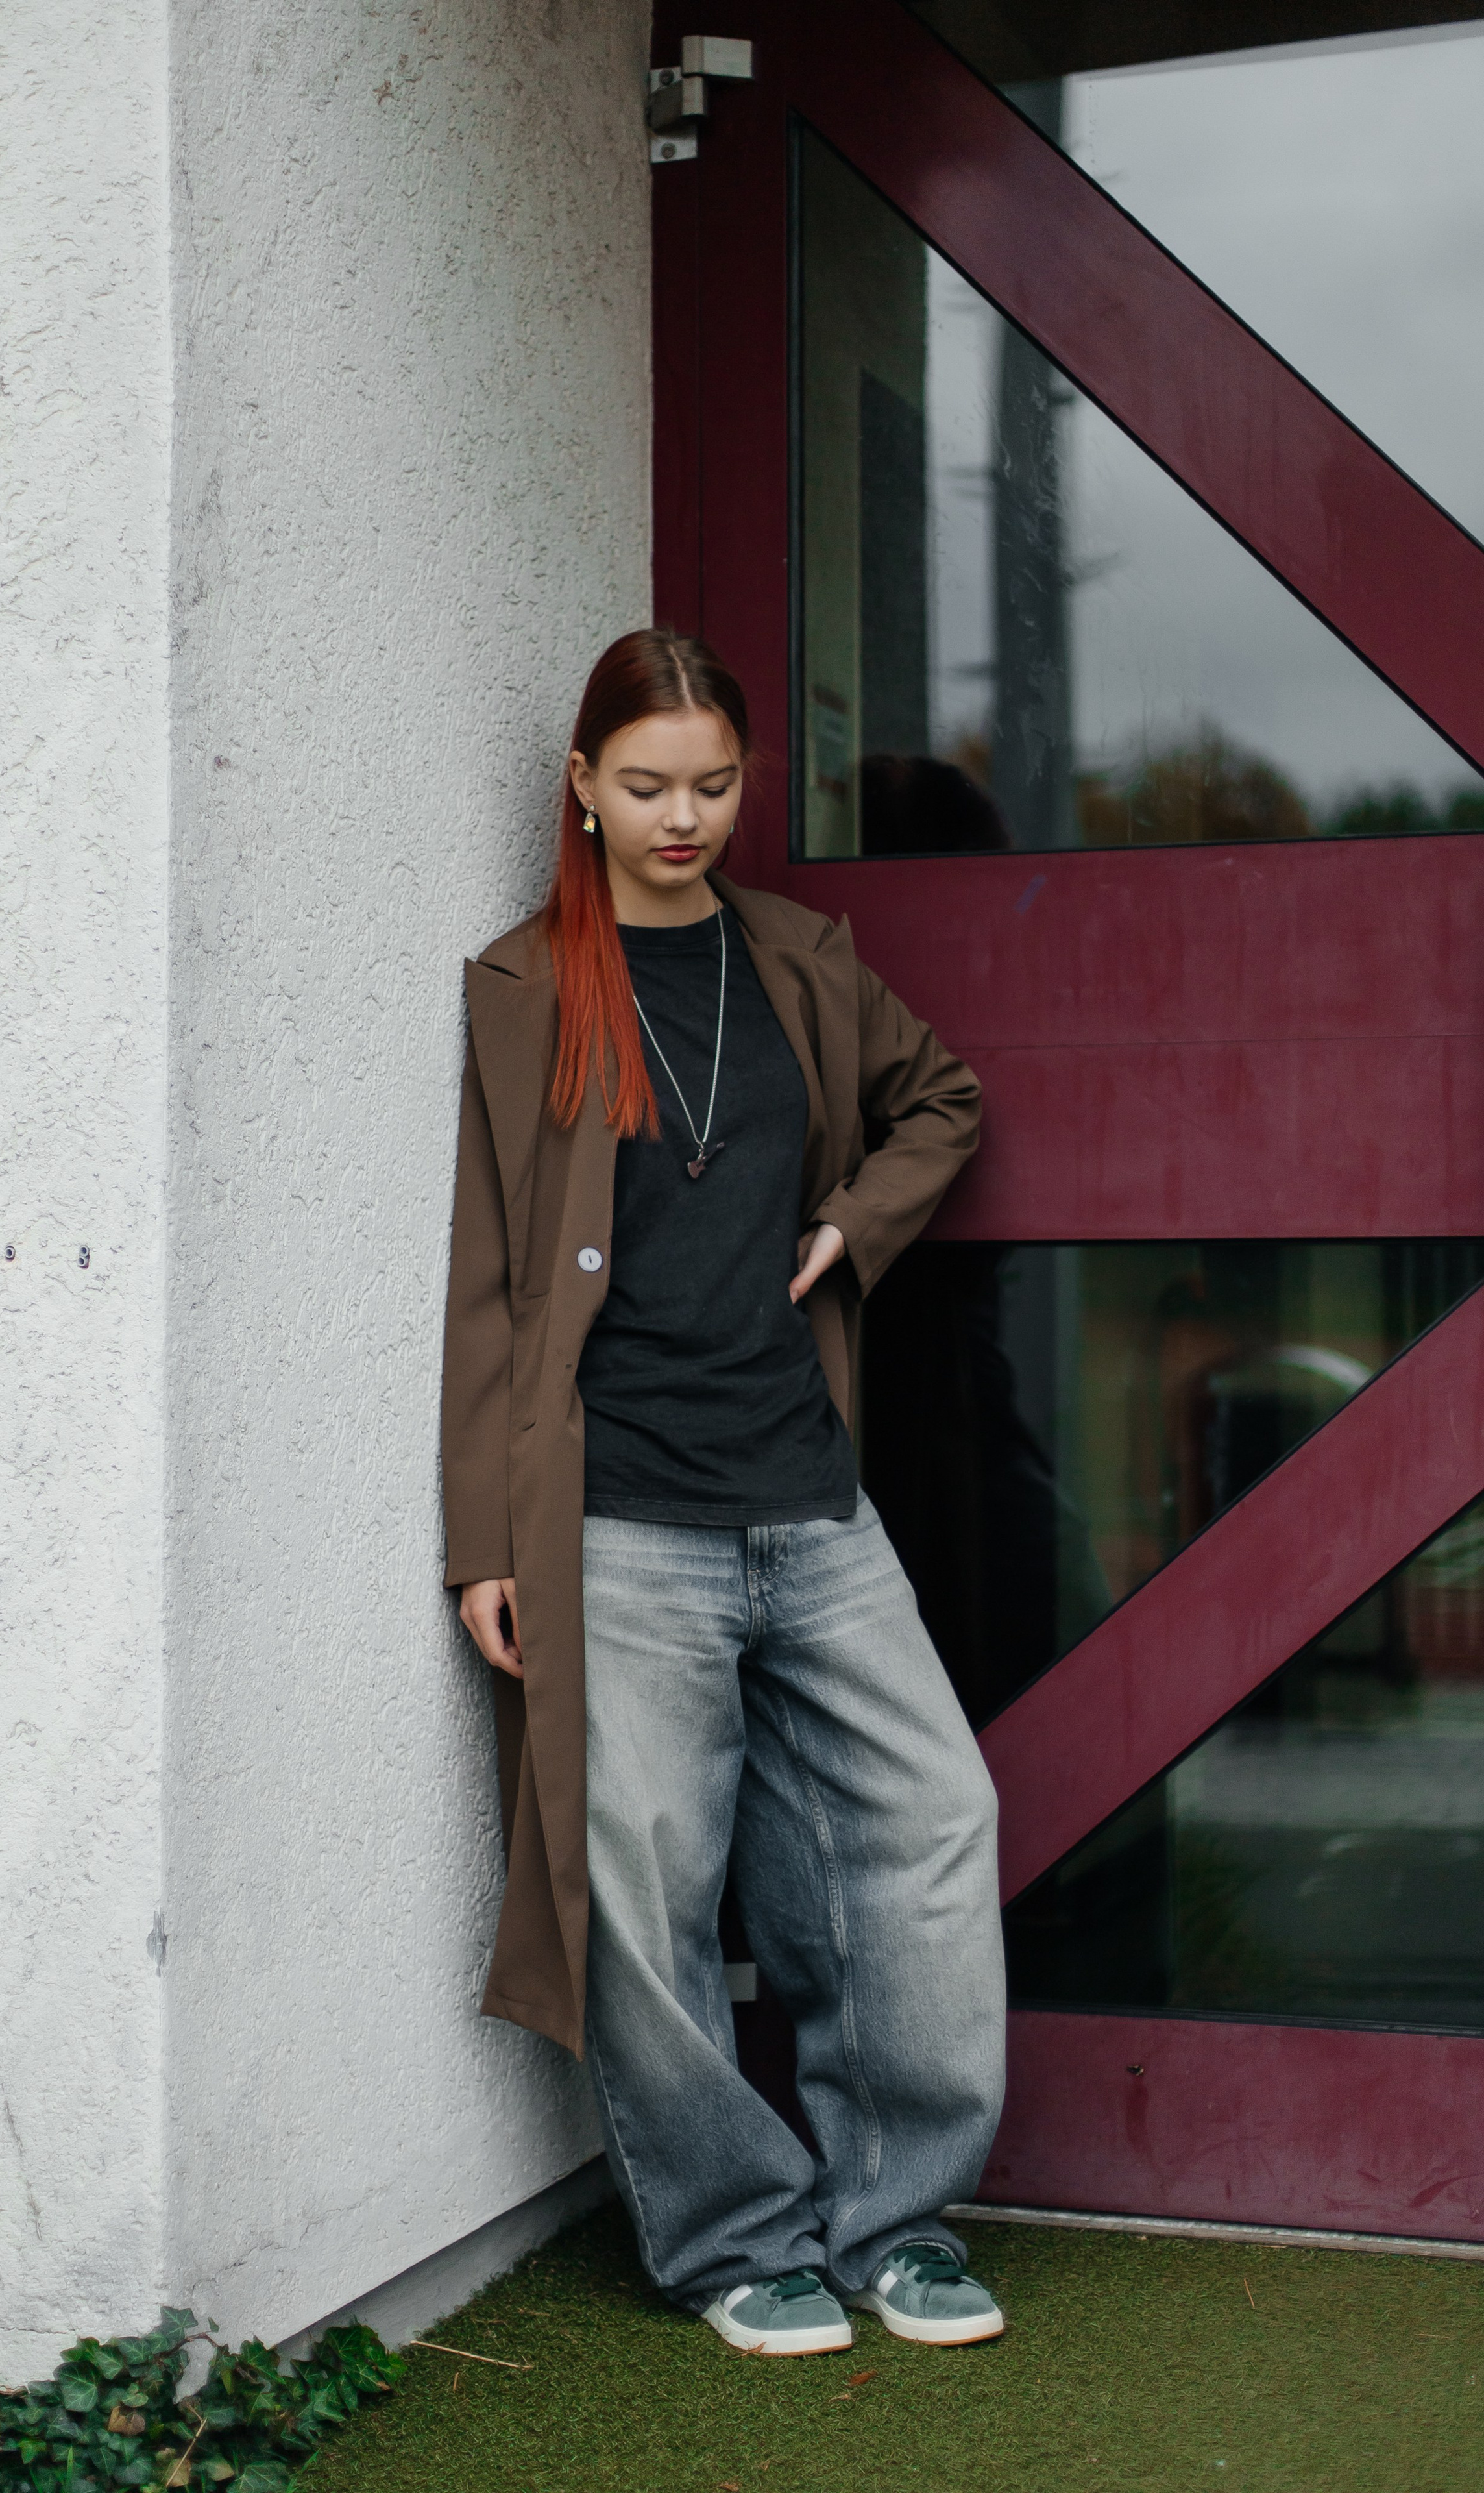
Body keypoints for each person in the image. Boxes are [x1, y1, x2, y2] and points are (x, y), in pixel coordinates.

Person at [441, 628, 1006, 2357]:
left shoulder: (806, 959)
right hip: (619, 1522)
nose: (683, 819)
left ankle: (894, 2215)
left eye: (712, 785)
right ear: (582, 787)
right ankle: (734, 2235)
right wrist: (483, 1540)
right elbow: (492, 1280)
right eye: (646, 787)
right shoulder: (528, 984)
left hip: (810, 1499)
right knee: (649, 1881)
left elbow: (945, 1098)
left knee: (924, 1826)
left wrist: (858, 1225)